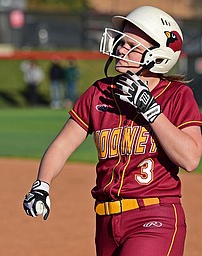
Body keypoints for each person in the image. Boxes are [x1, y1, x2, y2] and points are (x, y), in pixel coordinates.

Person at [23, 6, 202, 256]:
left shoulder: (176, 96)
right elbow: (63, 144)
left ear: (158, 57)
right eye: (121, 41)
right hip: (106, 221)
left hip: (154, 217)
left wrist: (152, 112)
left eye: (132, 46)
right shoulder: (99, 92)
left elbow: (191, 158)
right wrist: (42, 184)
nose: (120, 49)